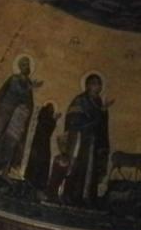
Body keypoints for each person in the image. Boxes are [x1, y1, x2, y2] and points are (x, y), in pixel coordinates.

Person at [0, 55, 41, 173]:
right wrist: (30, 88)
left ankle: (3, 170)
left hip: (16, 117)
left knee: (10, 143)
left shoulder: (28, 82)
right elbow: (17, 91)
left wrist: (26, 109)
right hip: (4, 111)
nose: (27, 67)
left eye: (28, 64)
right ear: (20, 67)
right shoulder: (14, 79)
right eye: (24, 64)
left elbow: (28, 101)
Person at [62, 74, 113, 206]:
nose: (98, 86)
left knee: (91, 170)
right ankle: (71, 195)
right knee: (77, 167)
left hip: (93, 142)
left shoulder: (99, 102)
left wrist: (104, 112)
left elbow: (101, 124)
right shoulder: (80, 100)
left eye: (100, 83)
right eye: (95, 83)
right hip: (80, 141)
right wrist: (94, 119)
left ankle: (87, 197)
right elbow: (73, 119)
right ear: (88, 85)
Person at [24, 103, 57, 191]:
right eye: (51, 108)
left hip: (43, 142)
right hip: (41, 142)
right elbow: (47, 128)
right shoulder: (44, 117)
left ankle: (36, 181)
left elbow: (49, 130)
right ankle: (33, 180)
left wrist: (54, 120)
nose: (52, 110)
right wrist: (54, 120)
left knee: (41, 161)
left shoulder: (44, 117)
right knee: (38, 161)